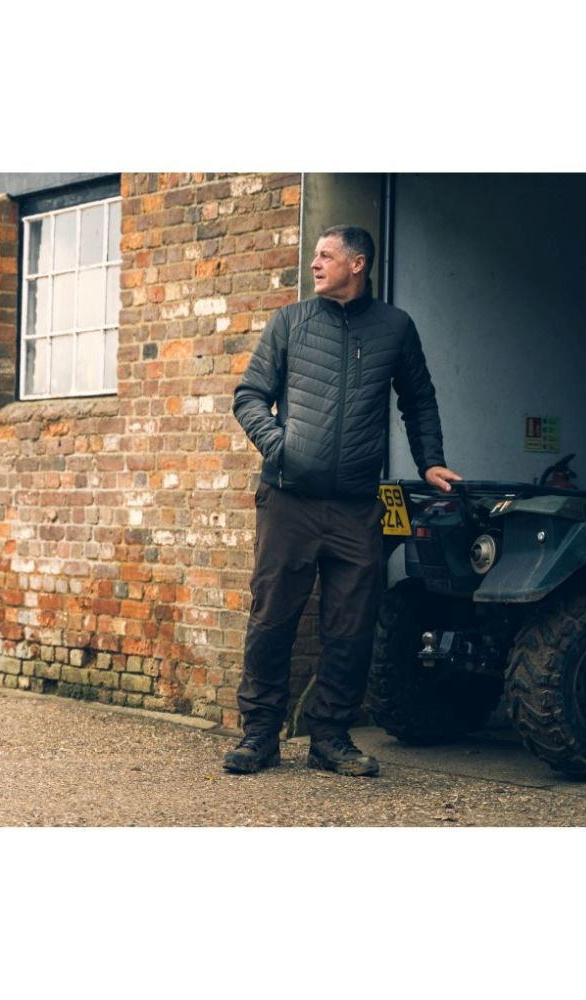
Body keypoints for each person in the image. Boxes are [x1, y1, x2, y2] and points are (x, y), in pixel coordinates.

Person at [223, 224, 461, 777]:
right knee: (272, 618)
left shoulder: (395, 328)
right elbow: (249, 396)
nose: (315, 264)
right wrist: (280, 446)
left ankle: (329, 737)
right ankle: (259, 734)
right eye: (315, 256)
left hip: (357, 505)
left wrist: (429, 460)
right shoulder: (290, 322)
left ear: (357, 264)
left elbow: (418, 400)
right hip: (288, 500)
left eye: (326, 256)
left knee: (352, 626)